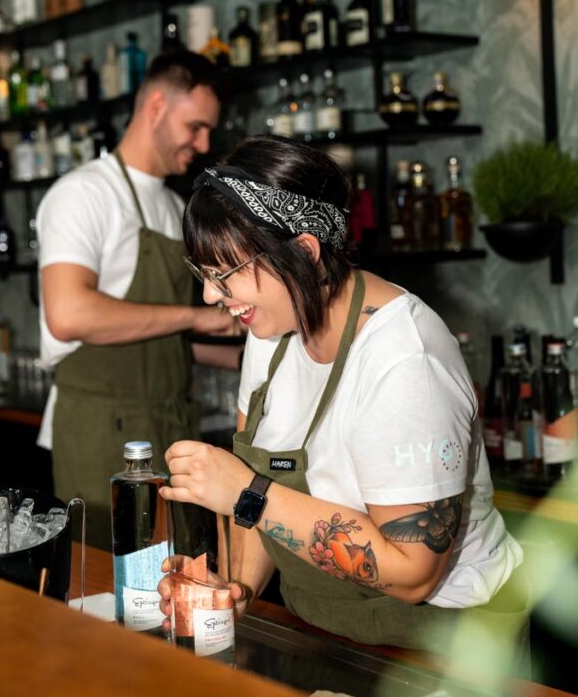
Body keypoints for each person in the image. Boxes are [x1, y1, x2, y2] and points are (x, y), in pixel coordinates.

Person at [158, 136, 528, 656]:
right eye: (205, 272)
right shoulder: (271, 329)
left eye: (226, 273)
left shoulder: (406, 362)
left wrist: (246, 493)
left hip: (443, 644)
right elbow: (256, 483)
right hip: (320, 626)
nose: (210, 295)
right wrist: (234, 591)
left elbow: (415, 572)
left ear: (304, 253)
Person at [37, 50, 239, 549]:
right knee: (105, 578)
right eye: (195, 127)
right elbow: (68, 315)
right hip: (103, 433)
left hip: (171, 428)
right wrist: (199, 318)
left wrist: (237, 354)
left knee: (179, 573)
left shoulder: (174, 206)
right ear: (156, 107)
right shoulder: (83, 194)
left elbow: (158, 337)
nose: (204, 144)